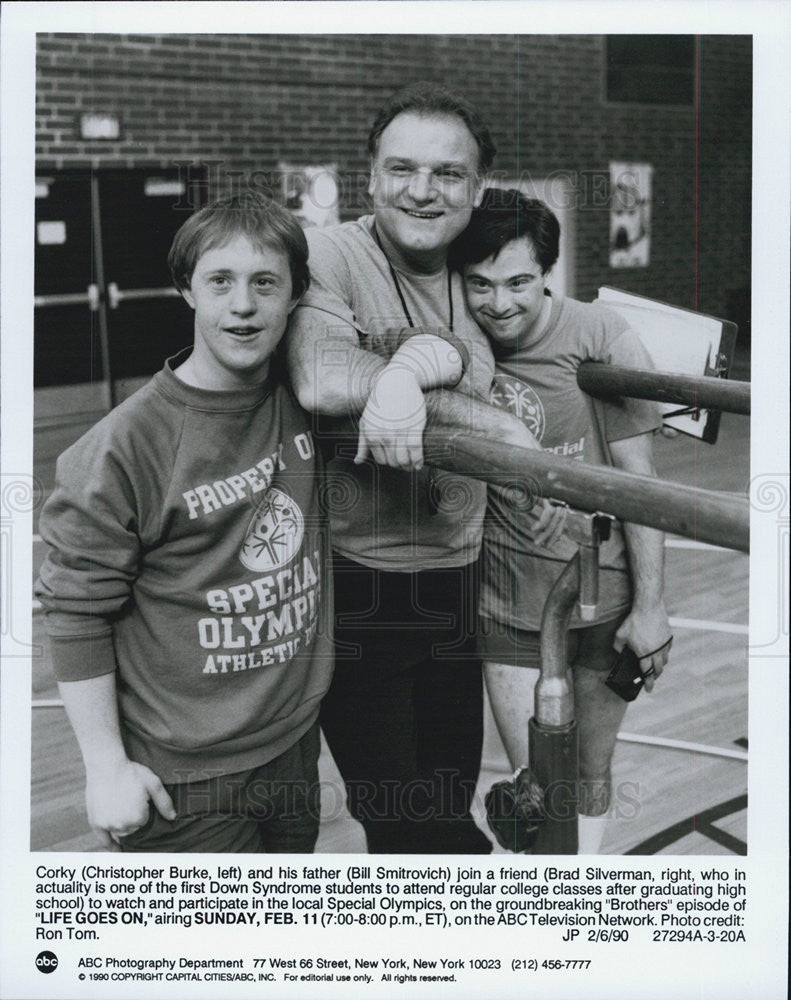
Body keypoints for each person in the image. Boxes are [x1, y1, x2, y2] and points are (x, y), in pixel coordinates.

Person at [35, 193, 334, 853]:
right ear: (186, 290)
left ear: (295, 296)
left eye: (265, 283)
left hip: (290, 746)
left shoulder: (307, 397)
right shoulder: (124, 445)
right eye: (219, 281)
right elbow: (76, 612)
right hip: (184, 777)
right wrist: (105, 767)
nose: (243, 304)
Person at [287, 85, 540, 854]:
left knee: (443, 804)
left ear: (476, 188)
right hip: (359, 585)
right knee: (410, 827)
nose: (422, 191)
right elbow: (323, 378)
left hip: (458, 577)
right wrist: (494, 426)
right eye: (401, 169)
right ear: (370, 178)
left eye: (447, 174)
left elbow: (553, 332)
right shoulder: (330, 252)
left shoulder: (475, 266)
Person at [449, 189, 673, 854]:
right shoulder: (454, 345)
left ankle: (581, 893)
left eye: (518, 282)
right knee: (540, 786)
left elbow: (640, 482)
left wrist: (653, 606)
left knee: (590, 771)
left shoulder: (600, 334)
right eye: (479, 285)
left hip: (606, 595)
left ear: (546, 273)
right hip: (511, 606)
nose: (500, 304)